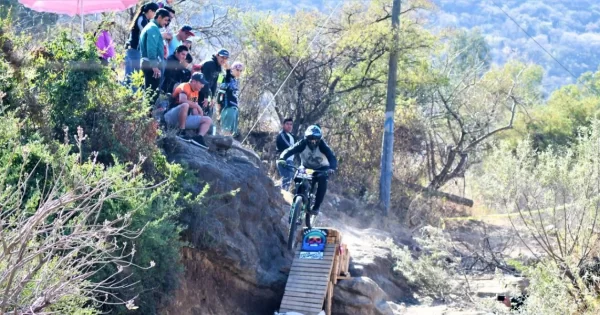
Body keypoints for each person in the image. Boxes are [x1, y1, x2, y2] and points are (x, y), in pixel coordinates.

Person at [278, 125, 337, 215]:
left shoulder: (323, 146)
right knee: (297, 177)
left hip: (321, 168)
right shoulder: (302, 143)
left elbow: (332, 157)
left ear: (320, 139)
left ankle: (316, 206)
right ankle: (297, 200)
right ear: (306, 138)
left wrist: (332, 168)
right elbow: (289, 150)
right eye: (310, 138)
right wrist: (282, 158)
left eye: (316, 139)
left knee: (322, 179)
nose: (313, 141)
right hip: (306, 167)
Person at [164, 72, 212, 149]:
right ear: (194, 81)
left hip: (183, 118)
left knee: (208, 120)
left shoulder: (196, 91)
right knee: (185, 105)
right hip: (171, 116)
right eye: (201, 83)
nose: (203, 86)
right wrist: (198, 106)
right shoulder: (185, 86)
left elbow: (194, 110)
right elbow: (182, 100)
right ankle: (181, 132)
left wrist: (199, 119)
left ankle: (198, 138)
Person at [139, 8, 171, 104]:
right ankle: (146, 116)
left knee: (151, 92)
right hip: (150, 64)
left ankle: (147, 115)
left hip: (150, 64)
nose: (166, 23)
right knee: (152, 93)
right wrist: (154, 65)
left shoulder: (153, 28)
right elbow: (151, 48)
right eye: (165, 20)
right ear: (159, 17)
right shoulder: (152, 28)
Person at [124, 2, 159, 84]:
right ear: (150, 11)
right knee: (131, 75)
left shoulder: (146, 20)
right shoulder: (141, 20)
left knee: (135, 75)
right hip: (133, 49)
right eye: (155, 13)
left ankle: (132, 94)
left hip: (137, 51)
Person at [200, 49, 229, 133]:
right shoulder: (209, 64)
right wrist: (206, 96)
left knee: (209, 110)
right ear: (217, 55)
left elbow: (214, 83)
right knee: (200, 110)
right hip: (199, 91)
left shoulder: (218, 67)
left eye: (226, 58)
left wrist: (212, 97)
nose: (223, 60)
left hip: (207, 92)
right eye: (222, 57)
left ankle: (205, 131)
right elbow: (204, 81)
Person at [218, 61, 243, 136]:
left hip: (234, 107)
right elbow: (219, 91)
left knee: (231, 132)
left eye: (241, 71)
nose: (239, 72)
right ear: (232, 69)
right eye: (237, 70)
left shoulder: (236, 81)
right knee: (226, 130)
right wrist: (219, 106)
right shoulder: (224, 76)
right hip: (227, 106)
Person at [276, 118, 296, 190]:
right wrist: (296, 149)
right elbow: (289, 147)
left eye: (291, 124)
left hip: (290, 160)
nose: (289, 126)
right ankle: (283, 195)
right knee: (286, 179)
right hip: (283, 160)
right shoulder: (282, 135)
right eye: (287, 124)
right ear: (283, 125)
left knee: (289, 180)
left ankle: (282, 193)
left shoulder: (292, 136)